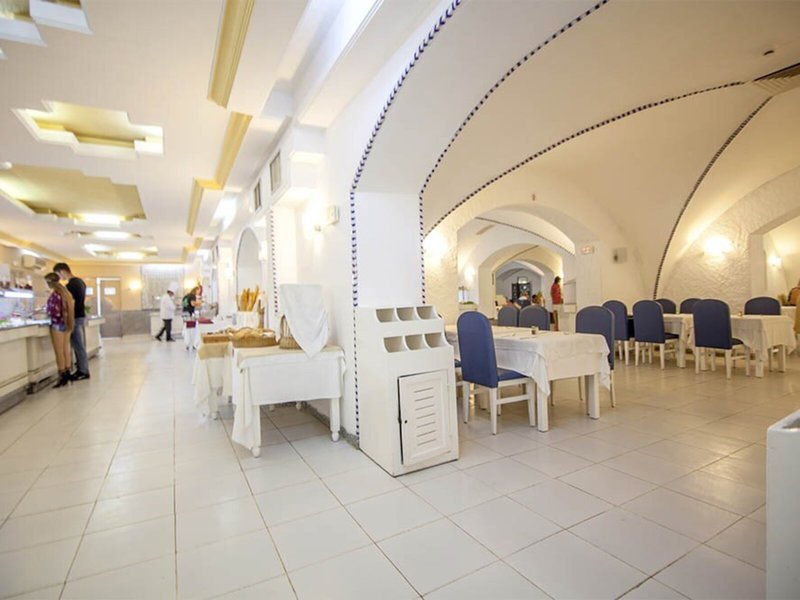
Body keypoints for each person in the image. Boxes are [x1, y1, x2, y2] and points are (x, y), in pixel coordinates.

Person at [53, 262, 90, 380]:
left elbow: (69, 303)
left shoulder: (71, 285)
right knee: (78, 344)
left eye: (58, 274)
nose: (60, 277)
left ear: (62, 271)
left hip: (74, 317)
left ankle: (83, 370)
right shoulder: (80, 282)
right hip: (79, 315)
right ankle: (81, 369)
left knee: (77, 344)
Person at [44, 272, 74, 388]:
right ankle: (67, 372)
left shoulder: (55, 295)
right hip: (67, 323)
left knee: (59, 352)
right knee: (66, 349)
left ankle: (62, 376)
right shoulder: (65, 293)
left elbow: (53, 311)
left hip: (57, 324)